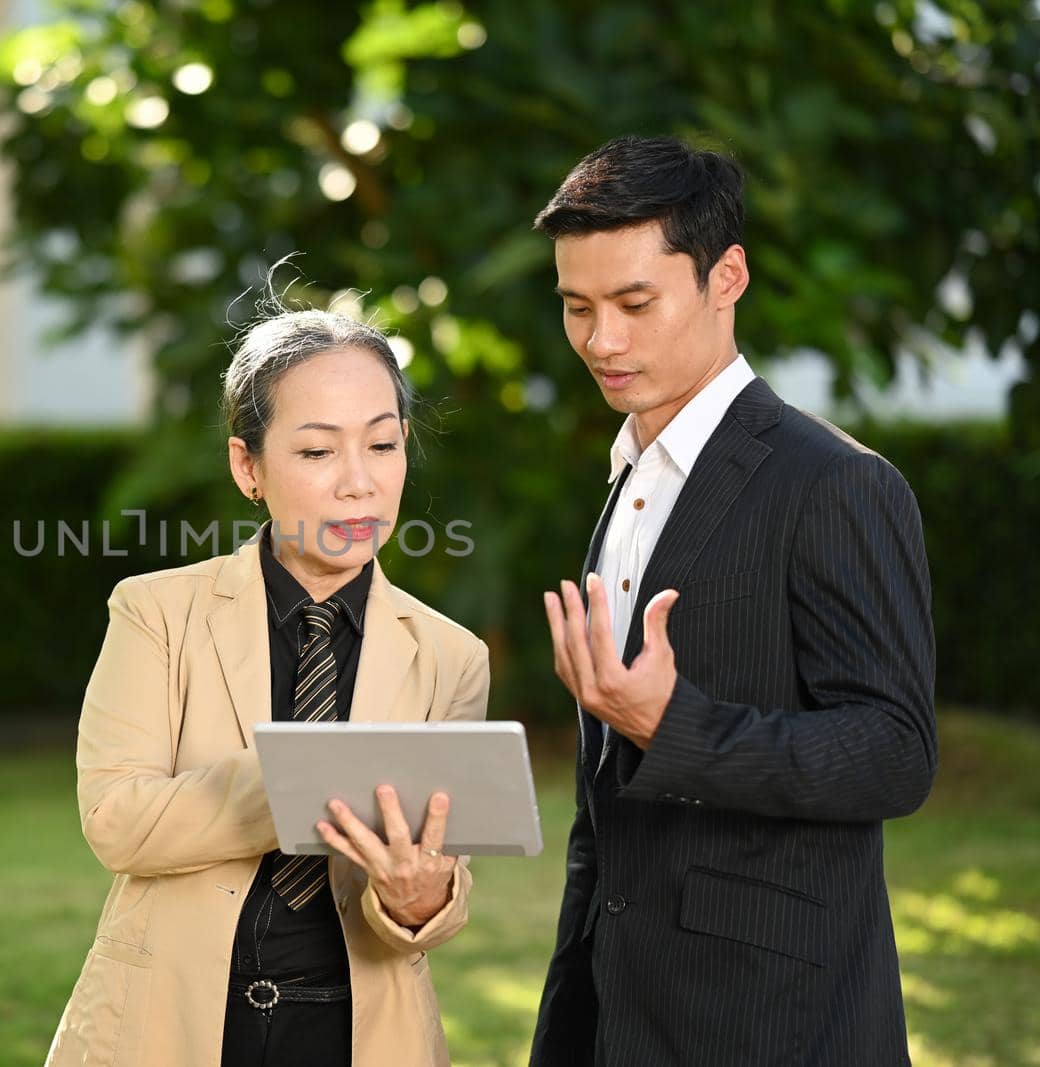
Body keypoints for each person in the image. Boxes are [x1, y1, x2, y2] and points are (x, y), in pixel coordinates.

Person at [527, 136, 936, 1066]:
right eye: (577, 307)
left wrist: (675, 723)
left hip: (772, 1020)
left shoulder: (836, 483)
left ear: (727, 277)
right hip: (617, 1009)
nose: (602, 340)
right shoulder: (631, 478)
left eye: (635, 303)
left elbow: (897, 752)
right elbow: (607, 812)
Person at [46, 303, 491, 1067]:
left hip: (360, 1032)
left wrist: (418, 896)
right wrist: (310, 782)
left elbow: (429, 901)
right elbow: (116, 819)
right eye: (318, 452)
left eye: (382, 444)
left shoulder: (451, 656)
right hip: (172, 1023)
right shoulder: (157, 612)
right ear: (247, 467)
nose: (359, 483)